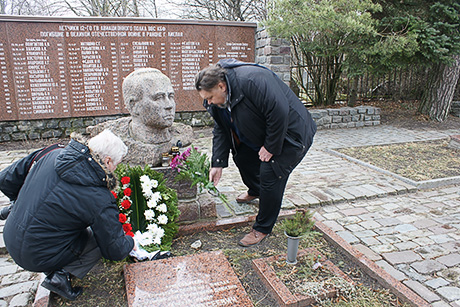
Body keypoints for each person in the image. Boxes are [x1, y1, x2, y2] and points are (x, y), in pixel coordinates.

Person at [0, 130, 135, 301]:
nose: (115, 168)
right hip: (35, 256)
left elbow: (5, 179)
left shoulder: (53, 152)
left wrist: (19, 203)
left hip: (11, 234)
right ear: (107, 161)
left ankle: (54, 264)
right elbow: (114, 250)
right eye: (116, 164)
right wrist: (131, 241)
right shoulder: (98, 197)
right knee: (96, 237)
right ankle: (60, 276)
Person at [195, 59, 317, 247]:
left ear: (221, 86)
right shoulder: (215, 99)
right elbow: (221, 129)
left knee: (271, 173)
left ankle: (262, 227)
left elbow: (279, 112)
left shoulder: (253, 80)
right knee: (243, 156)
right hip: (262, 132)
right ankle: (256, 190)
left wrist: (270, 147)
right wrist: (217, 163)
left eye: (210, 97)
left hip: (291, 134)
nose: (208, 102)